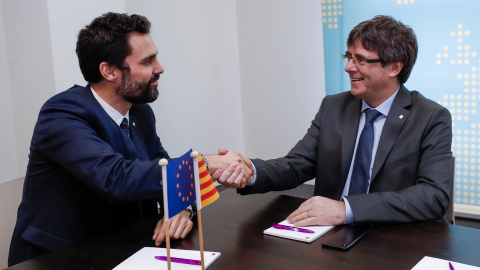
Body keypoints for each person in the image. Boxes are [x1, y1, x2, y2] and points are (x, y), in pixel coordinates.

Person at [8, 12, 251, 266]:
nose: (160, 68)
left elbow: (159, 168)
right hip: (59, 258)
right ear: (109, 71)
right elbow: (115, 178)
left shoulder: (140, 112)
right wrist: (206, 162)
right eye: (148, 61)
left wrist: (180, 208)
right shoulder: (62, 114)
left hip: (123, 248)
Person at [220, 15, 453, 226]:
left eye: (361, 60)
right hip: (330, 232)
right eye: (349, 56)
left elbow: (433, 196)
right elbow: (296, 165)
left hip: (397, 236)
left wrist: (346, 210)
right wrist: (250, 172)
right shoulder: (333, 106)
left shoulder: (431, 117)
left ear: (394, 67)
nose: (348, 67)